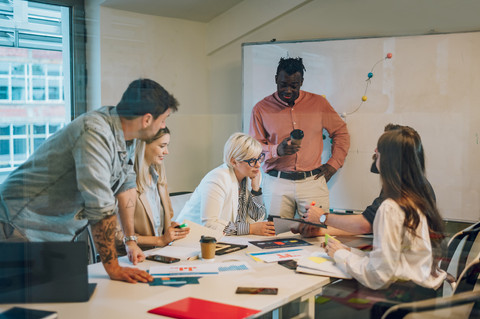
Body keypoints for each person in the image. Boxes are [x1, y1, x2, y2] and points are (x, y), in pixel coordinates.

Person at [0, 78, 179, 283]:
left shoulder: (125, 137)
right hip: (17, 226)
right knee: (20, 307)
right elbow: (100, 207)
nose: (163, 126)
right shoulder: (95, 132)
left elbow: (126, 187)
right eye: (163, 120)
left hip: (51, 233)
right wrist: (113, 269)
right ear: (147, 119)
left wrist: (130, 240)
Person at [324, 127, 446, 298]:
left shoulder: (391, 207)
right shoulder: (416, 198)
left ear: (388, 161)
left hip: (400, 301)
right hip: (423, 295)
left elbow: (379, 276)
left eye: (378, 155)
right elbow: (393, 262)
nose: (375, 159)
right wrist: (351, 252)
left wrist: (340, 255)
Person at [249, 57, 350, 219]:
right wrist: (277, 150)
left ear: (302, 82)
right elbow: (253, 148)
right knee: (276, 236)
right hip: (276, 183)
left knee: (318, 233)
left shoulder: (319, 104)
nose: (288, 90)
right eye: (283, 85)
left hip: (312, 181)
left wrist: (334, 164)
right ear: (276, 80)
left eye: (294, 86)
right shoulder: (260, 109)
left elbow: (341, 132)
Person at [300, 124, 435, 237]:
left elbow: (365, 225)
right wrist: (322, 231)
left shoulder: (401, 191)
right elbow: (371, 226)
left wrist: (322, 217)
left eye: (380, 148)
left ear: (391, 157)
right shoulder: (411, 183)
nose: (375, 151)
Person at [176, 132, 275, 236]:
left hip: (227, 240)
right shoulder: (217, 178)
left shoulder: (251, 177)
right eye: (252, 160)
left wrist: (256, 190)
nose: (258, 165)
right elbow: (209, 224)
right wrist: (249, 229)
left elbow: (256, 219)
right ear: (234, 162)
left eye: (259, 158)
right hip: (190, 238)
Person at [115, 127, 190, 254]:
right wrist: (159, 240)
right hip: (133, 257)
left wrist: (172, 229)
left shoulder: (158, 179)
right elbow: (117, 236)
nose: (167, 152)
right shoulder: (122, 182)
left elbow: (162, 224)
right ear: (143, 146)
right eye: (162, 146)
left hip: (160, 254)